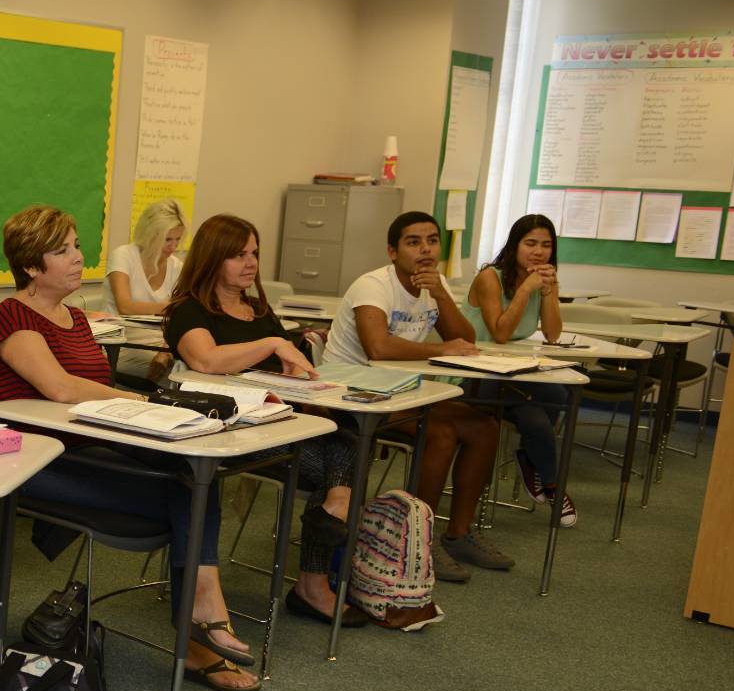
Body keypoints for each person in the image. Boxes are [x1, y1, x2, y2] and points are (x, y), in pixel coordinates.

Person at [0, 205, 259, 691]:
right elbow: (62, 389)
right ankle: (200, 627)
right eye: (62, 250)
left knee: (196, 471)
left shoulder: (75, 316)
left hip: (94, 446)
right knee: (189, 493)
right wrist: (138, 399)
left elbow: (90, 391)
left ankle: (201, 609)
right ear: (30, 267)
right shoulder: (10, 315)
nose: (77, 258)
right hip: (36, 459)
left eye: (76, 246)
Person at [162, 214, 374, 627]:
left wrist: (296, 376)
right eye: (238, 254)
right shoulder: (188, 310)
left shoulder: (257, 309)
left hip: (277, 418)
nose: (250, 263)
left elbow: (285, 364)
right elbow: (205, 359)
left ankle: (333, 512)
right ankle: (316, 577)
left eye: (254, 253)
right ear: (211, 258)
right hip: (228, 430)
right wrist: (272, 343)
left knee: (346, 443)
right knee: (340, 462)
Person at [324, 211, 507, 582]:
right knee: (439, 433)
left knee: (483, 427)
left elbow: (465, 340)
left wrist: (441, 294)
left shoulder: (432, 288)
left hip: (399, 393)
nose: (425, 250)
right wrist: (441, 352)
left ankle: (458, 533)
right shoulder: (373, 285)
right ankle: (416, 541)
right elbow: (377, 347)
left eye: (432, 241)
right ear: (393, 251)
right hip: (350, 393)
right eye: (413, 242)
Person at [465, 214, 575, 527]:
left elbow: (553, 334)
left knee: (542, 408)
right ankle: (551, 484)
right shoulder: (491, 277)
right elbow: (499, 333)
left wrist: (549, 292)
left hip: (510, 375)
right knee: (553, 394)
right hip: (473, 373)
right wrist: (526, 290)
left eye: (546, 245)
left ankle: (534, 463)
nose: (538, 252)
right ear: (515, 245)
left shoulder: (542, 280)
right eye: (530, 244)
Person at [108, 197, 186, 316]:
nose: (173, 247)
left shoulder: (176, 266)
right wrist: (166, 307)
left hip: (158, 333)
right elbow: (125, 307)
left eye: (178, 239)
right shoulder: (123, 255)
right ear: (149, 234)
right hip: (119, 331)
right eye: (167, 239)